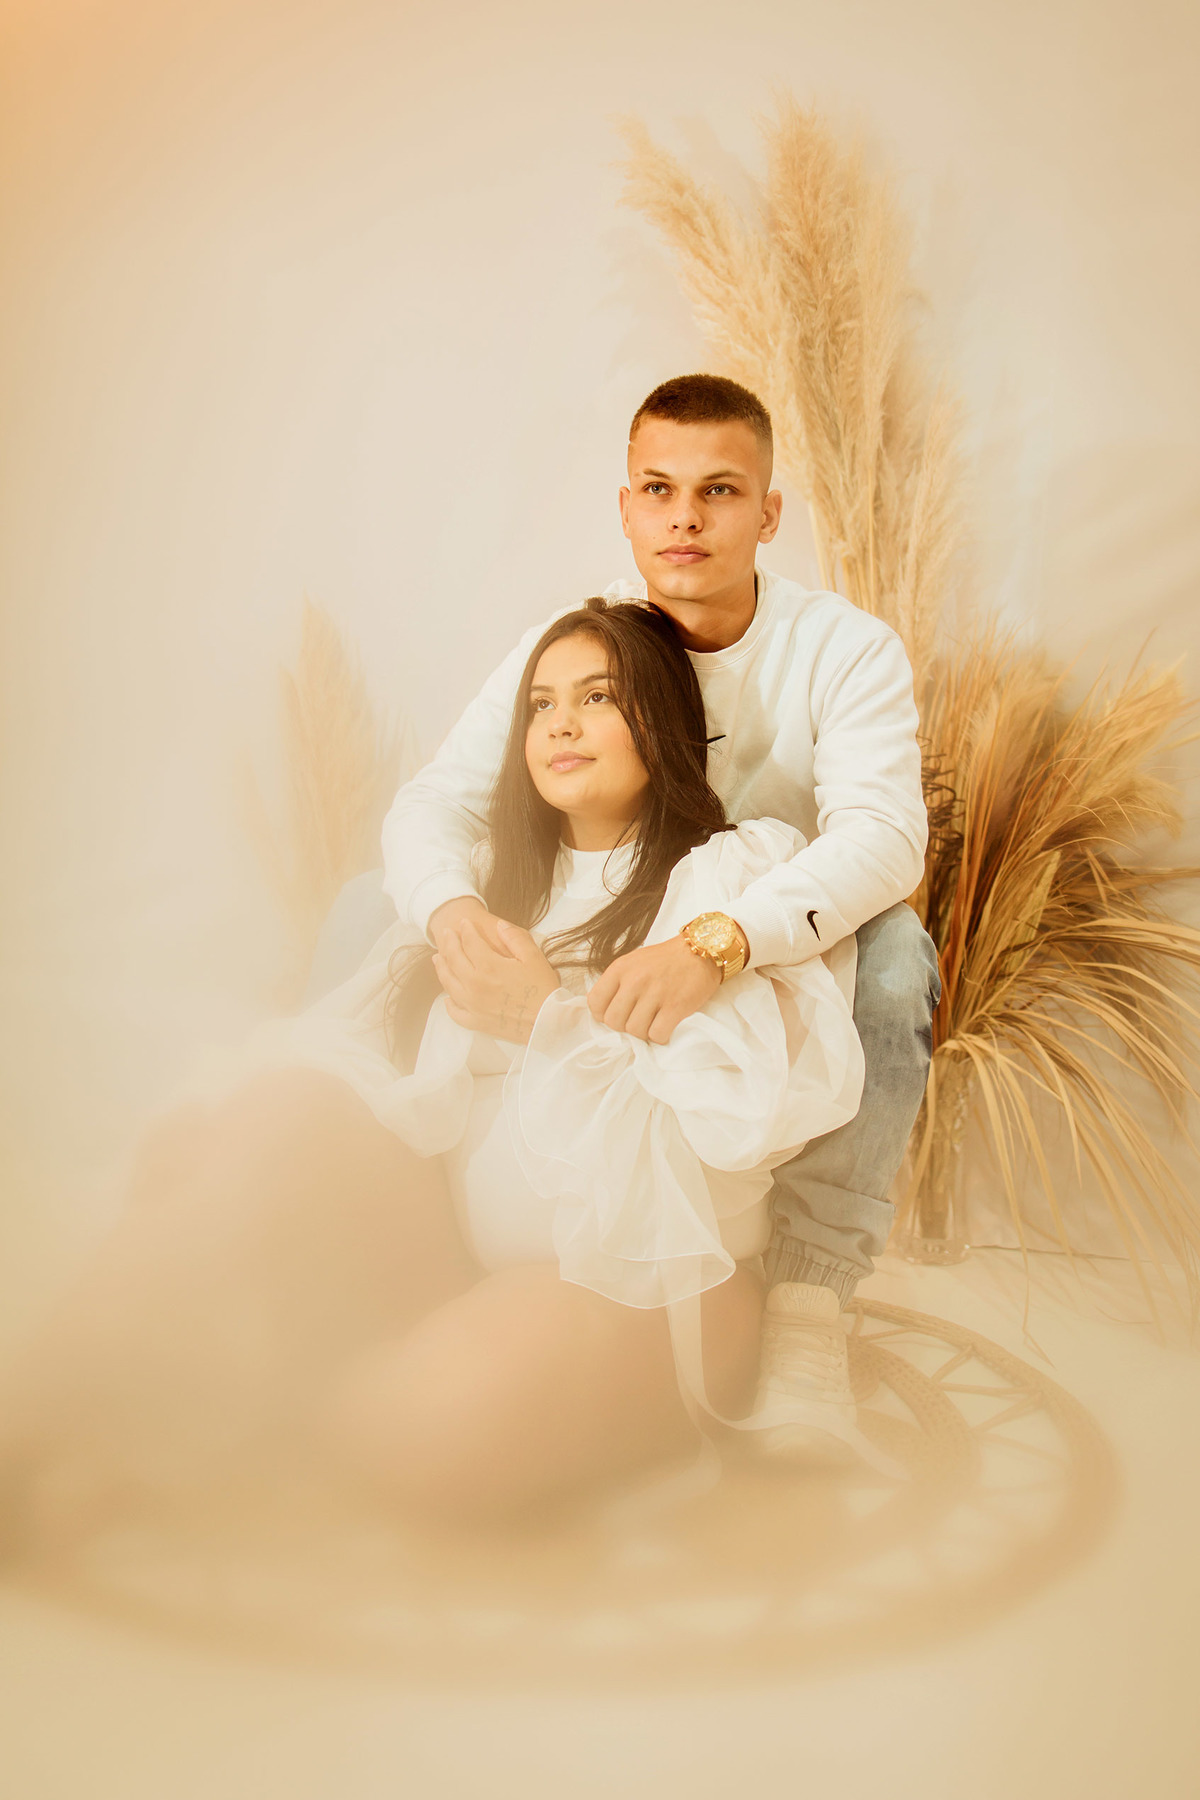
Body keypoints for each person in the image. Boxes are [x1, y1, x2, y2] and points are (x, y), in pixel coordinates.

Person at [1, 599, 872, 1544]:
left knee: (424, 1433)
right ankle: (27, 1426)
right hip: (460, 1241)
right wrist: (242, 1141)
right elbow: (367, 1053)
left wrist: (546, 1020)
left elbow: (724, 1138)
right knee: (258, 1138)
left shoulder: (734, 880)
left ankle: (209, 1443)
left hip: (656, 1282)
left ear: (663, 722)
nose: (560, 724)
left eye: (596, 698)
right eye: (541, 705)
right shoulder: (495, 878)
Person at [377, 372, 940, 1456]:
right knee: (382, 907)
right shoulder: (582, 639)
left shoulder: (843, 648)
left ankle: (807, 1305)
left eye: (719, 490)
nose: (685, 517)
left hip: (763, 937)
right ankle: (368, 1211)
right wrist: (450, 914)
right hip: (607, 913)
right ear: (627, 508)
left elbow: (881, 839)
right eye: (658, 489)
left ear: (768, 514)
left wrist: (718, 943)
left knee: (896, 955)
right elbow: (439, 799)